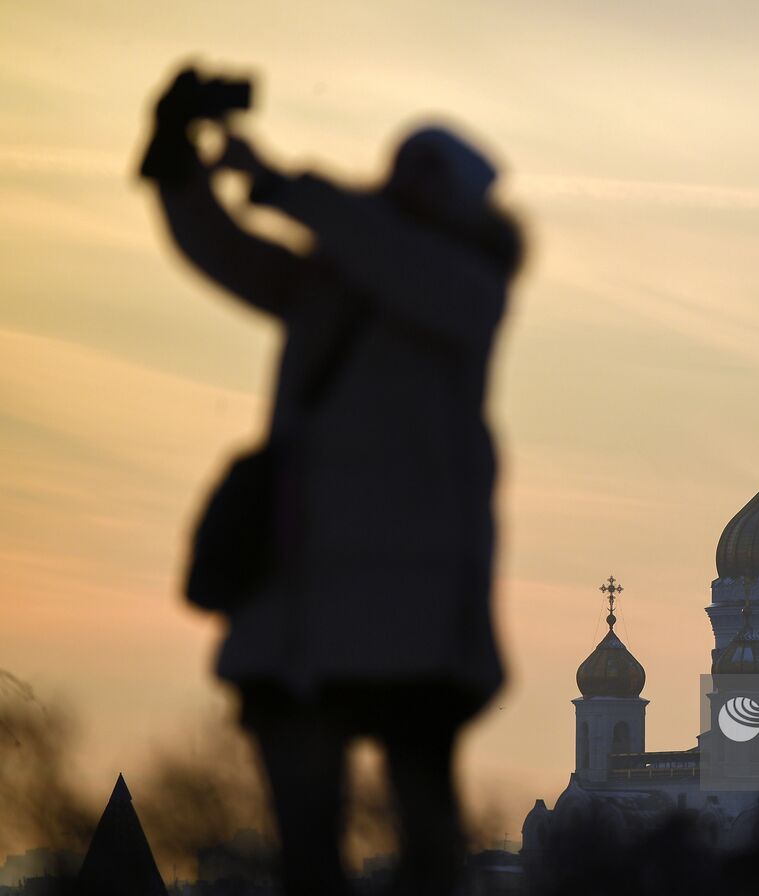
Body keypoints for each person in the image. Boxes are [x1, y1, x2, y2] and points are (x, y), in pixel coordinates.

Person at [139, 67, 521, 896]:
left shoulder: (466, 286)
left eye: (431, 172)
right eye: (403, 166)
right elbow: (228, 254)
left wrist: (282, 184)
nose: (409, 183)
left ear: (464, 203)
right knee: (308, 845)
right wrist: (175, 161)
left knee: (426, 844)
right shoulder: (335, 282)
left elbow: (394, 261)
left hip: (412, 607)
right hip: (308, 597)